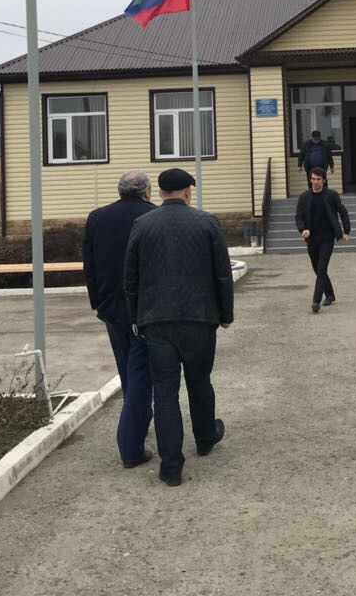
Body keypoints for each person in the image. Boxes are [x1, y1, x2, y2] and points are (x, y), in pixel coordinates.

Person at [124, 168, 234, 487]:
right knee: (199, 381)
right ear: (188, 192)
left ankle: (171, 467)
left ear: (159, 193)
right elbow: (222, 274)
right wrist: (225, 314)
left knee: (165, 391)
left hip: (157, 321)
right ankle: (205, 437)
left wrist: (136, 317)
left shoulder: (142, 224)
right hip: (200, 318)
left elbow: (131, 277)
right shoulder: (207, 222)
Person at [82, 170, 157, 469]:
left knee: (127, 370)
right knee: (141, 375)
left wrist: (97, 303)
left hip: (111, 308)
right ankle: (131, 445)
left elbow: (89, 264)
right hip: (145, 309)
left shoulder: (97, 218)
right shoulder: (153, 216)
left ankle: (138, 421)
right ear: (146, 192)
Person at [294, 167, 350, 313]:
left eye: (318, 179)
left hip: (327, 237)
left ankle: (316, 301)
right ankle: (330, 294)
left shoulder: (331, 195)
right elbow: (298, 216)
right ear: (310, 180)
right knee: (317, 269)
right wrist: (303, 229)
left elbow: (342, 211)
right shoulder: (304, 197)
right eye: (313, 179)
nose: (315, 182)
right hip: (312, 238)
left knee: (321, 268)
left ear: (324, 181)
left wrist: (346, 231)